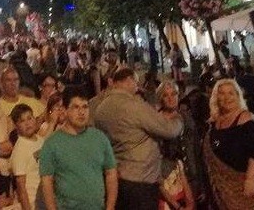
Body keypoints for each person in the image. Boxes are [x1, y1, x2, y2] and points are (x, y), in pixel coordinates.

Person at [93, 67, 183, 210]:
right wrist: (178, 120)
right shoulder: (134, 106)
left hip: (117, 178)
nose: (137, 87)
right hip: (141, 179)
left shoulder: (100, 108)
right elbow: (169, 130)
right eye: (136, 83)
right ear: (129, 80)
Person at [39, 87, 118, 210]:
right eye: (76, 107)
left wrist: (110, 207)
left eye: (85, 107)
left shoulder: (99, 138)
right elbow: (47, 181)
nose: (82, 112)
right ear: (65, 110)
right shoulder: (52, 143)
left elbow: (111, 173)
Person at [203, 79, 254, 209]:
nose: (226, 98)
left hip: (243, 187)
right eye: (222, 93)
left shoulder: (247, 120)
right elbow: (216, 145)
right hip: (222, 189)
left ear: (238, 96)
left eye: (230, 93)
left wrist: (250, 179)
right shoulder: (215, 123)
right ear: (216, 97)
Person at [156, 81, 201, 209]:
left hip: (191, 175)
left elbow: (196, 149)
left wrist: (201, 181)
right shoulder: (156, 120)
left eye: (174, 94)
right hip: (169, 178)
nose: (171, 98)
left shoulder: (186, 117)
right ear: (161, 98)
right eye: (166, 95)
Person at [10, 103, 45, 210]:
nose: (27, 123)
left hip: (45, 199)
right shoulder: (20, 149)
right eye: (22, 121)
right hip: (33, 203)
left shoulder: (41, 140)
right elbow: (21, 187)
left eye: (29, 118)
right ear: (16, 126)